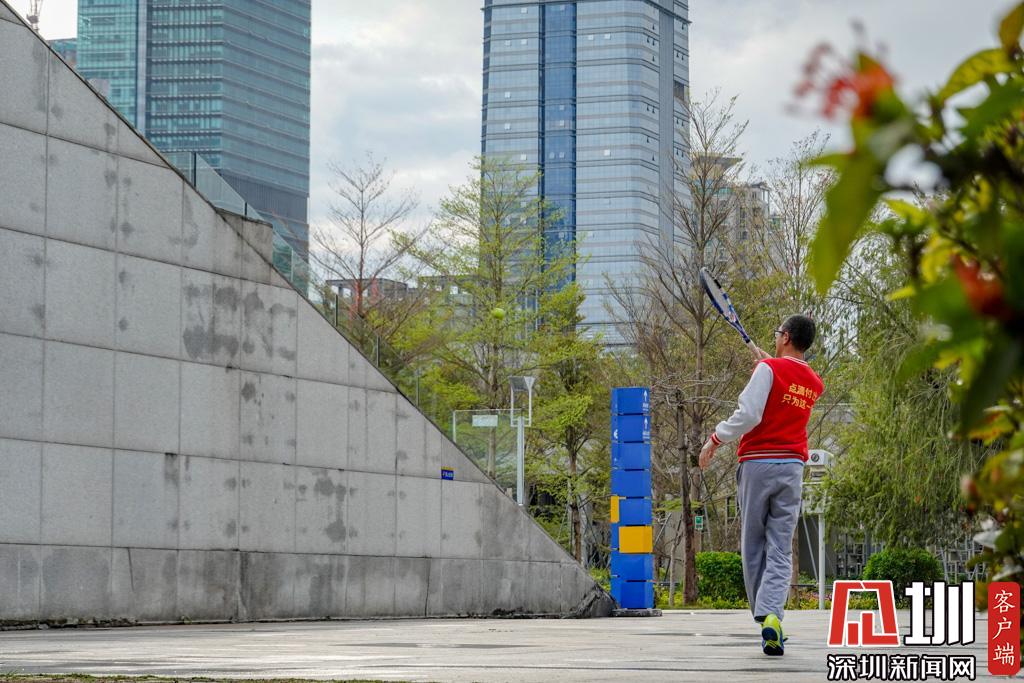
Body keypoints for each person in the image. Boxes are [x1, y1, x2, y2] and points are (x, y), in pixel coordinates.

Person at [698, 314, 823, 657]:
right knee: (780, 547)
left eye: (778, 333)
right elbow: (787, 385)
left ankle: (765, 616)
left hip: (757, 464)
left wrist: (715, 439)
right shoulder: (814, 382)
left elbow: (750, 414)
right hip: (792, 469)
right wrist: (770, 366)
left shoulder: (768, 370)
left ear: (785, 337)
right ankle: (773, 616)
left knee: (753, 544)